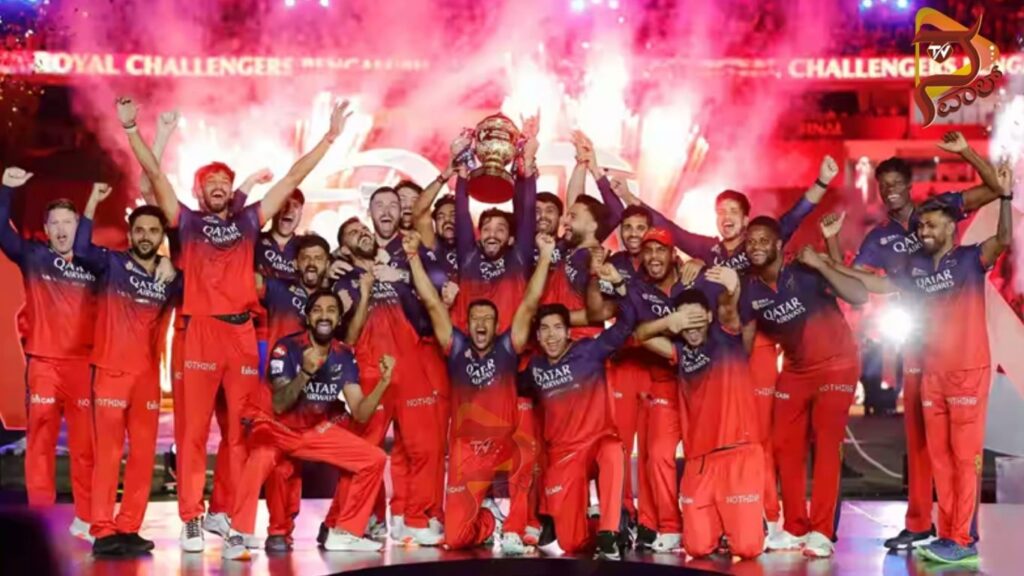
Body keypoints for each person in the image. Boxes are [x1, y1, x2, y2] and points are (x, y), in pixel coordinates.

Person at [117, 95, 352, 551]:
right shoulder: (185, 221)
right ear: (199, 191)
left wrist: (329, 137)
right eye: (211, 182)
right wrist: (132, 130)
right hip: (200, 331)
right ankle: (190, 516)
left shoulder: (248, 221)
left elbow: (292, 178)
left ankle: (223, 513)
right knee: (193, 432)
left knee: (242, 431)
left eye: (225, 181)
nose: (219, 187)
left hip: (242, 334)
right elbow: (156, 177)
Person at [823, 135, 1005, 551]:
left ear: (910, 185)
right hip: (916, 341)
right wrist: (831, 242)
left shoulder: (939, 210)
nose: (890, 191)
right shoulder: (878, 238)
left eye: (896, 184)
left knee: (958, 445)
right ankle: (920, 522)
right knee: (921, 437)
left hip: (955, 339)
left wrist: (965, 152)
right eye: (883, 186)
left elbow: (996, 188)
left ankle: (963, 530)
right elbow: (854, 285)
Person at [404, 230, 553, 552]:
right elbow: (432, 302)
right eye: (475, 319)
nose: (481, 324)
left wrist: (544, 257)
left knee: (527, 449)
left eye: (487, 319)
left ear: (497, 326)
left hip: (505, 442)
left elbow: (529, 303)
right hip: (467, 449)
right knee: (456, 539)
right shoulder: (455, 346)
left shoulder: (508, 346)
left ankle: (514, 529)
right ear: (467, 324)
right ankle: (488, 521)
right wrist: (413, 256)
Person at [224, 290, 390, 560]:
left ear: (339, 319)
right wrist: (305, 373)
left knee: (374, 459)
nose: (324, 315)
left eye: (331, 310)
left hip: (311, 430)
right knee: (261, 458)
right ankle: (237, 535)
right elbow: (280, 404)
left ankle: (344, 532)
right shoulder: (286, 348)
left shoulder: (344, 355)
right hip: (274, 426)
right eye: (317, 310)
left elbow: (360, 412)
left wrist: (383, 383)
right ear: (308, 317)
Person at [739, 217, 868, 557]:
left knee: (826, 444)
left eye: (763, 240)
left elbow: (859, 295)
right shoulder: (749, 289)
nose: (755, 247)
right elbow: (745, 343)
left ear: (778, 245)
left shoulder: (804, 270)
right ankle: (796, 527)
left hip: (837, 364)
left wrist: (822, 264)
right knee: (784, 444)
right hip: (796, 370)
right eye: (750, 242)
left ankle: (821, 531)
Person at [73, 184, 181, 556]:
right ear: (130, 234)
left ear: (161, 236)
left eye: (153, 231)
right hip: (110, 372)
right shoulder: (111, 263)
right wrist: (92, 201)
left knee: (143, 456)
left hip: (147, 378)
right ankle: (102, 529)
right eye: (139, 230)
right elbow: (81, 250)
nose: (145, 236)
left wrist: (171, 262)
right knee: (108, 454)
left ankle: (129, 526)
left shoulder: (171, 279)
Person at [333, 205, 447, 546]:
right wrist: (364, 289)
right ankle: (348, 524)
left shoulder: (397, 271)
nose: (362, 234)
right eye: (353, 234)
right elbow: (348, 336)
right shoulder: (344, 282)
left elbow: (424, 316)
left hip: (411, 369)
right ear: (344, 249)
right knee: (364, 451)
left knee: (425, 448)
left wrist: (401, 278)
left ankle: (413, 518)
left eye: (363, 230)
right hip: (372, 373)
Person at [634, 268, 766, 559]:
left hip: (737, 454)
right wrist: (669, 322)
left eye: (696, 318)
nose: (691, 326)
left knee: (747, 549)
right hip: (699, 462)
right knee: (696, 548)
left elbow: (729, 311)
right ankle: (725, 519)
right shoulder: (680, 352)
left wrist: (732, 289)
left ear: (708, 316)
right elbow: (641, 336)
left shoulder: (726, 339)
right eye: (685, 320)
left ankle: (749, 519)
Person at [0, 167, 101, 541]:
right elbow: (2, 233)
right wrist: (6, 190)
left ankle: (87, 518)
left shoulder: (96, 263)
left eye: (67, 222)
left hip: (82, 368)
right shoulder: (34, 256)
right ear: (46, 229)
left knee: (85, 448)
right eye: (54, 223)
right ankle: (41, 519)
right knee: (40, 446)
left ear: (79, 226)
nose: (61, 229)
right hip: (43, 366)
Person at [522, 282, 636, 559]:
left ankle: (608, 534)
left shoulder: (589, 350)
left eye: (557, 328)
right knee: (571, 543)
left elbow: (626, 324)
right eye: (544, 329)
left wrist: (621, 287)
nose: (551, 335)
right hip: (564, 458)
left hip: (597, 443)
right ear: (537, 335)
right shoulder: (534, 368)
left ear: (568, 331)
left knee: (613, 449)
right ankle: (610, 526)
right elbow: (503, 382)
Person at [254, 233, 332, 553]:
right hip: (281, 390)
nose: (312, 263)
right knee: (280, 463)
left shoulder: (333, 299)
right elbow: (240, 277)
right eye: (306, 258)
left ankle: (305, 523)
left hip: (319, 396)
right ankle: (278, 528)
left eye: (318, 258)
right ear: (296, 263)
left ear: (328, 263)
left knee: (300, 464)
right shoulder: (277, 289)